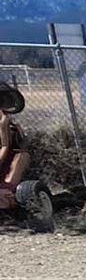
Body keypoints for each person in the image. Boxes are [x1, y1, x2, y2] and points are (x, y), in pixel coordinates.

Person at [0, 82, 31, 211]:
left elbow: (6, 146)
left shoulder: (7, 125)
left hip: (12, 158)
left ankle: (12, 197)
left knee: (21, 157)